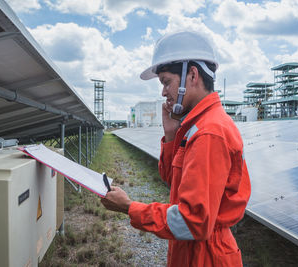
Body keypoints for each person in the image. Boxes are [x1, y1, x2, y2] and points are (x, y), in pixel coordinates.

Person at [101, 31, 251, 267]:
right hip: (193, 252)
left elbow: (193, 222)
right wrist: (171, 135)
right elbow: (175, 183)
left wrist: (130, 208)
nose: (163, 92)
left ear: (192, 75)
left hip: (205, 257)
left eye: (166, 82)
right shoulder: (197, 127)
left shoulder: (209, 133)